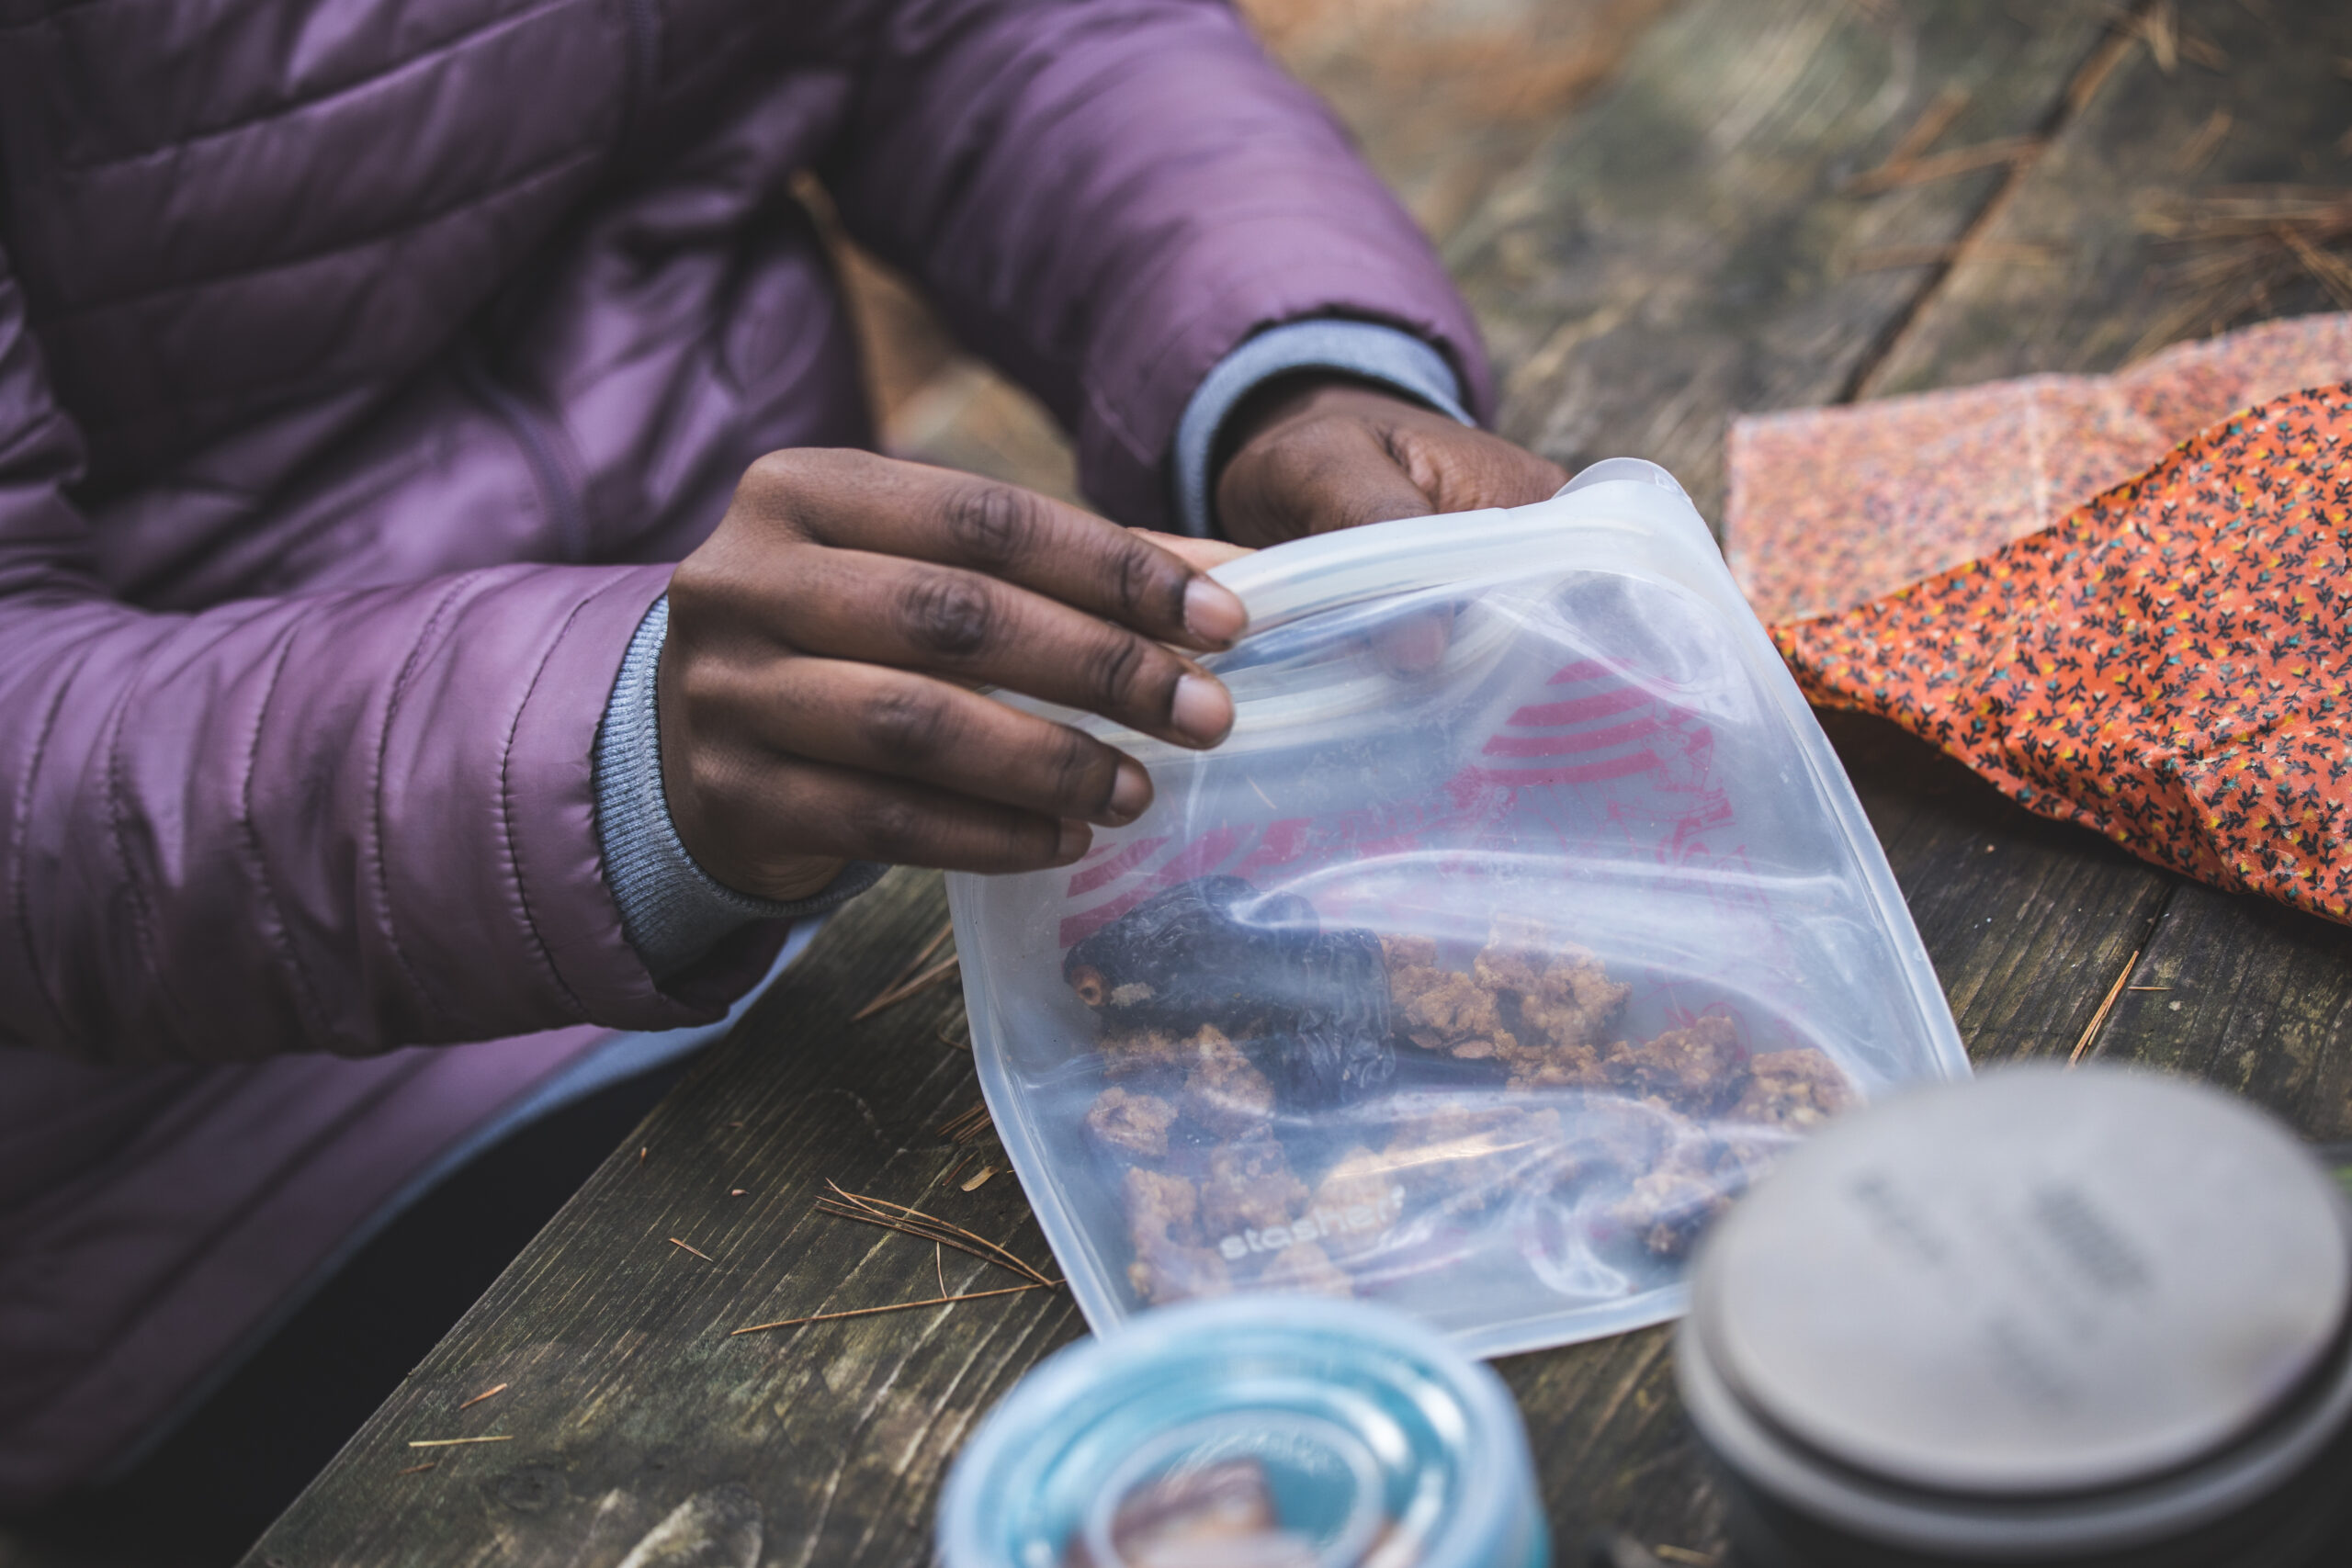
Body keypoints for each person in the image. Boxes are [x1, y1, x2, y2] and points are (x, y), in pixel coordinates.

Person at [0, 0, 1563, 1551]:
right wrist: (615, 749)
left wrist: (1285, 360)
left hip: (856, 875)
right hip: (216, 1187)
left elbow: (972, 35)